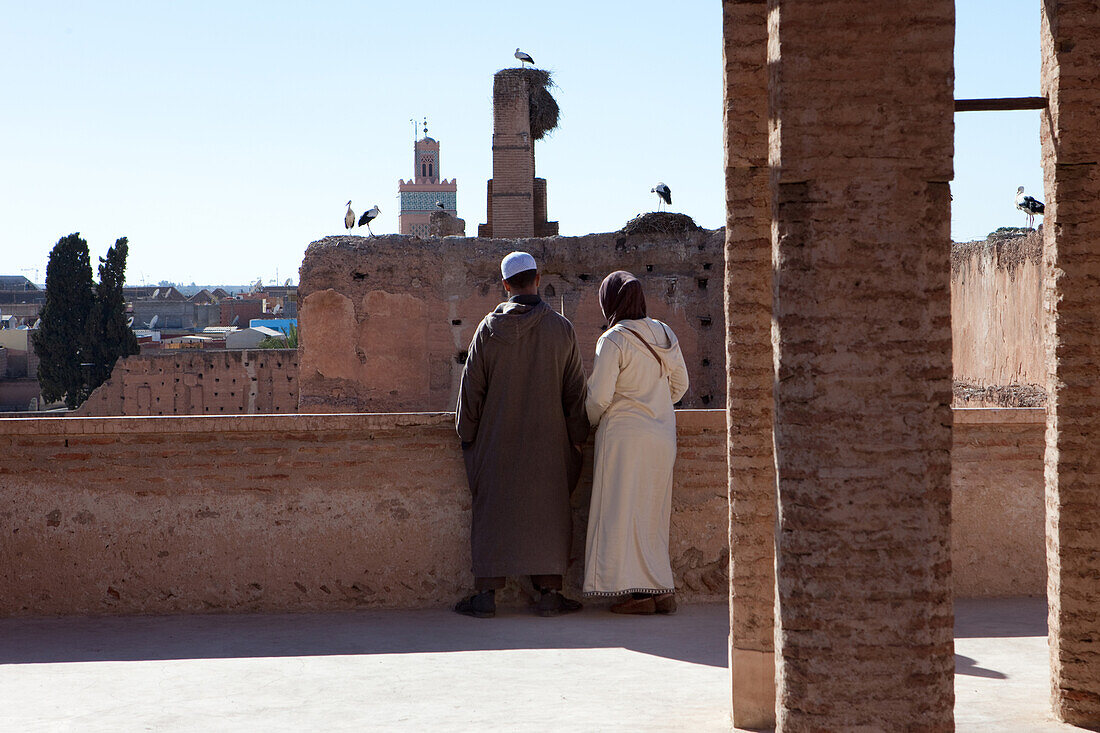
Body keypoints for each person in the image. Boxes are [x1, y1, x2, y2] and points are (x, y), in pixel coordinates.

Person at [453, 251, 590, 618]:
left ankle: (486, 594)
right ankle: (549, 591)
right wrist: (577, 440)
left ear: (505, 285)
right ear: (538, 278)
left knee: (492, 513)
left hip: (496, 445)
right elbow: (575, 394)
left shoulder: (487, 331)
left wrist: (468, 438)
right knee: (549, 512)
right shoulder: (560, 329)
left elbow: (471, 395)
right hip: (548, 446)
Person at [583, 271, 689, 614]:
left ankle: (637, 596)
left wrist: (591, 421)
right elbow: (681, 386)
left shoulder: (613, 339)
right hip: (662, 436)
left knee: (621, 513)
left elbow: (599, 396)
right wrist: (655, 403)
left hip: (624, 438)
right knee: (653, 514)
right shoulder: (665, 332)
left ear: (610, 302)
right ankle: (660, 589)